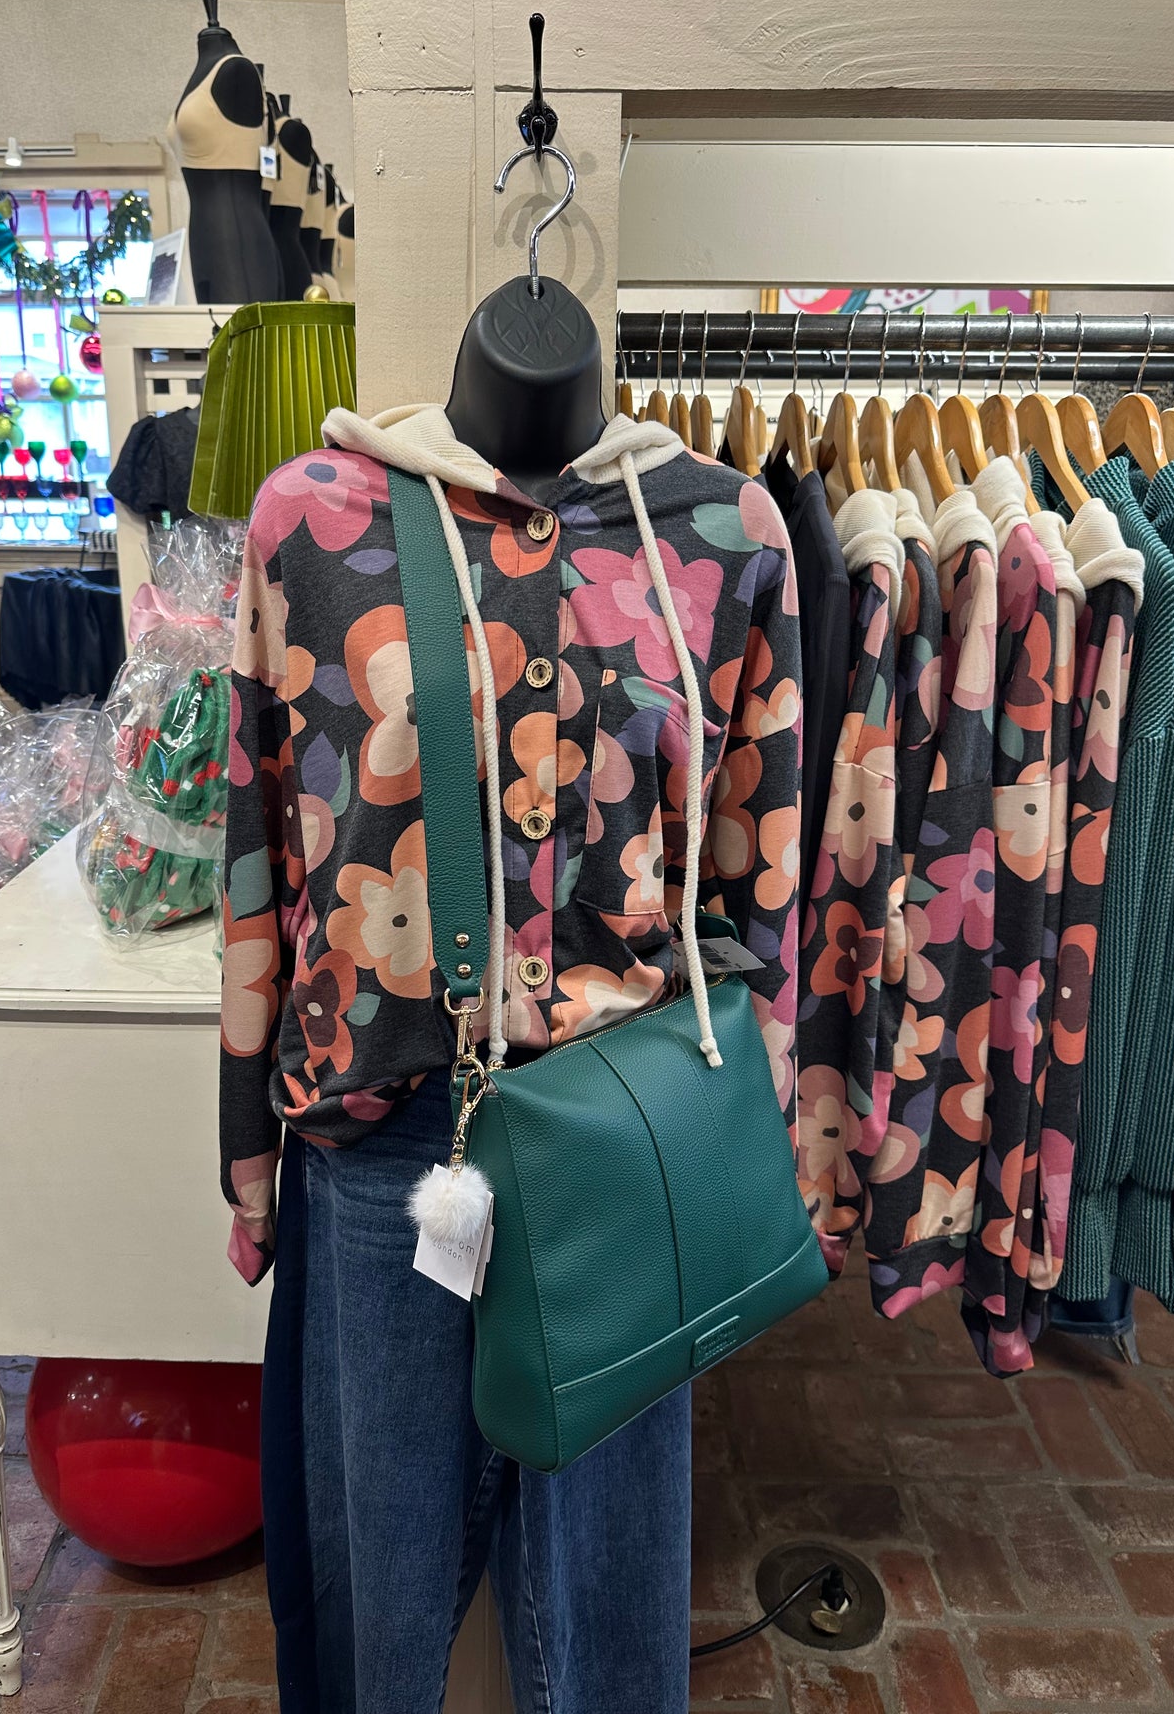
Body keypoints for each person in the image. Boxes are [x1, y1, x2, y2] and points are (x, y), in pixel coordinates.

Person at [220, 401, 802, 1713]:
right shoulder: (309, 518)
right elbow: (259, 849)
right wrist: (246, 1149)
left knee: (610, 1606)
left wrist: (755, 1131)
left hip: (621, 1145)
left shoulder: (726, 532)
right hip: (386, 1140)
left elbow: (760, 868)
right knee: (376, 1591)